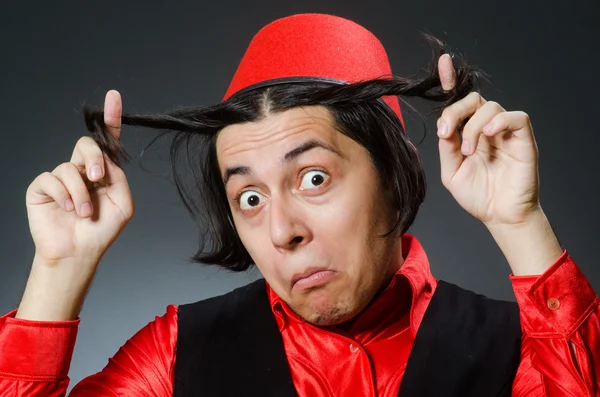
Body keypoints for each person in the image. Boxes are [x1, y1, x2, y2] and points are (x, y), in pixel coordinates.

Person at [0, 12, 598, 397]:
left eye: (313, 178)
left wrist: (520, 224)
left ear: (392, 177)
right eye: (250, 197)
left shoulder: (518, 347)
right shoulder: (177, 356)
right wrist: (60, 269)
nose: (281, 230)